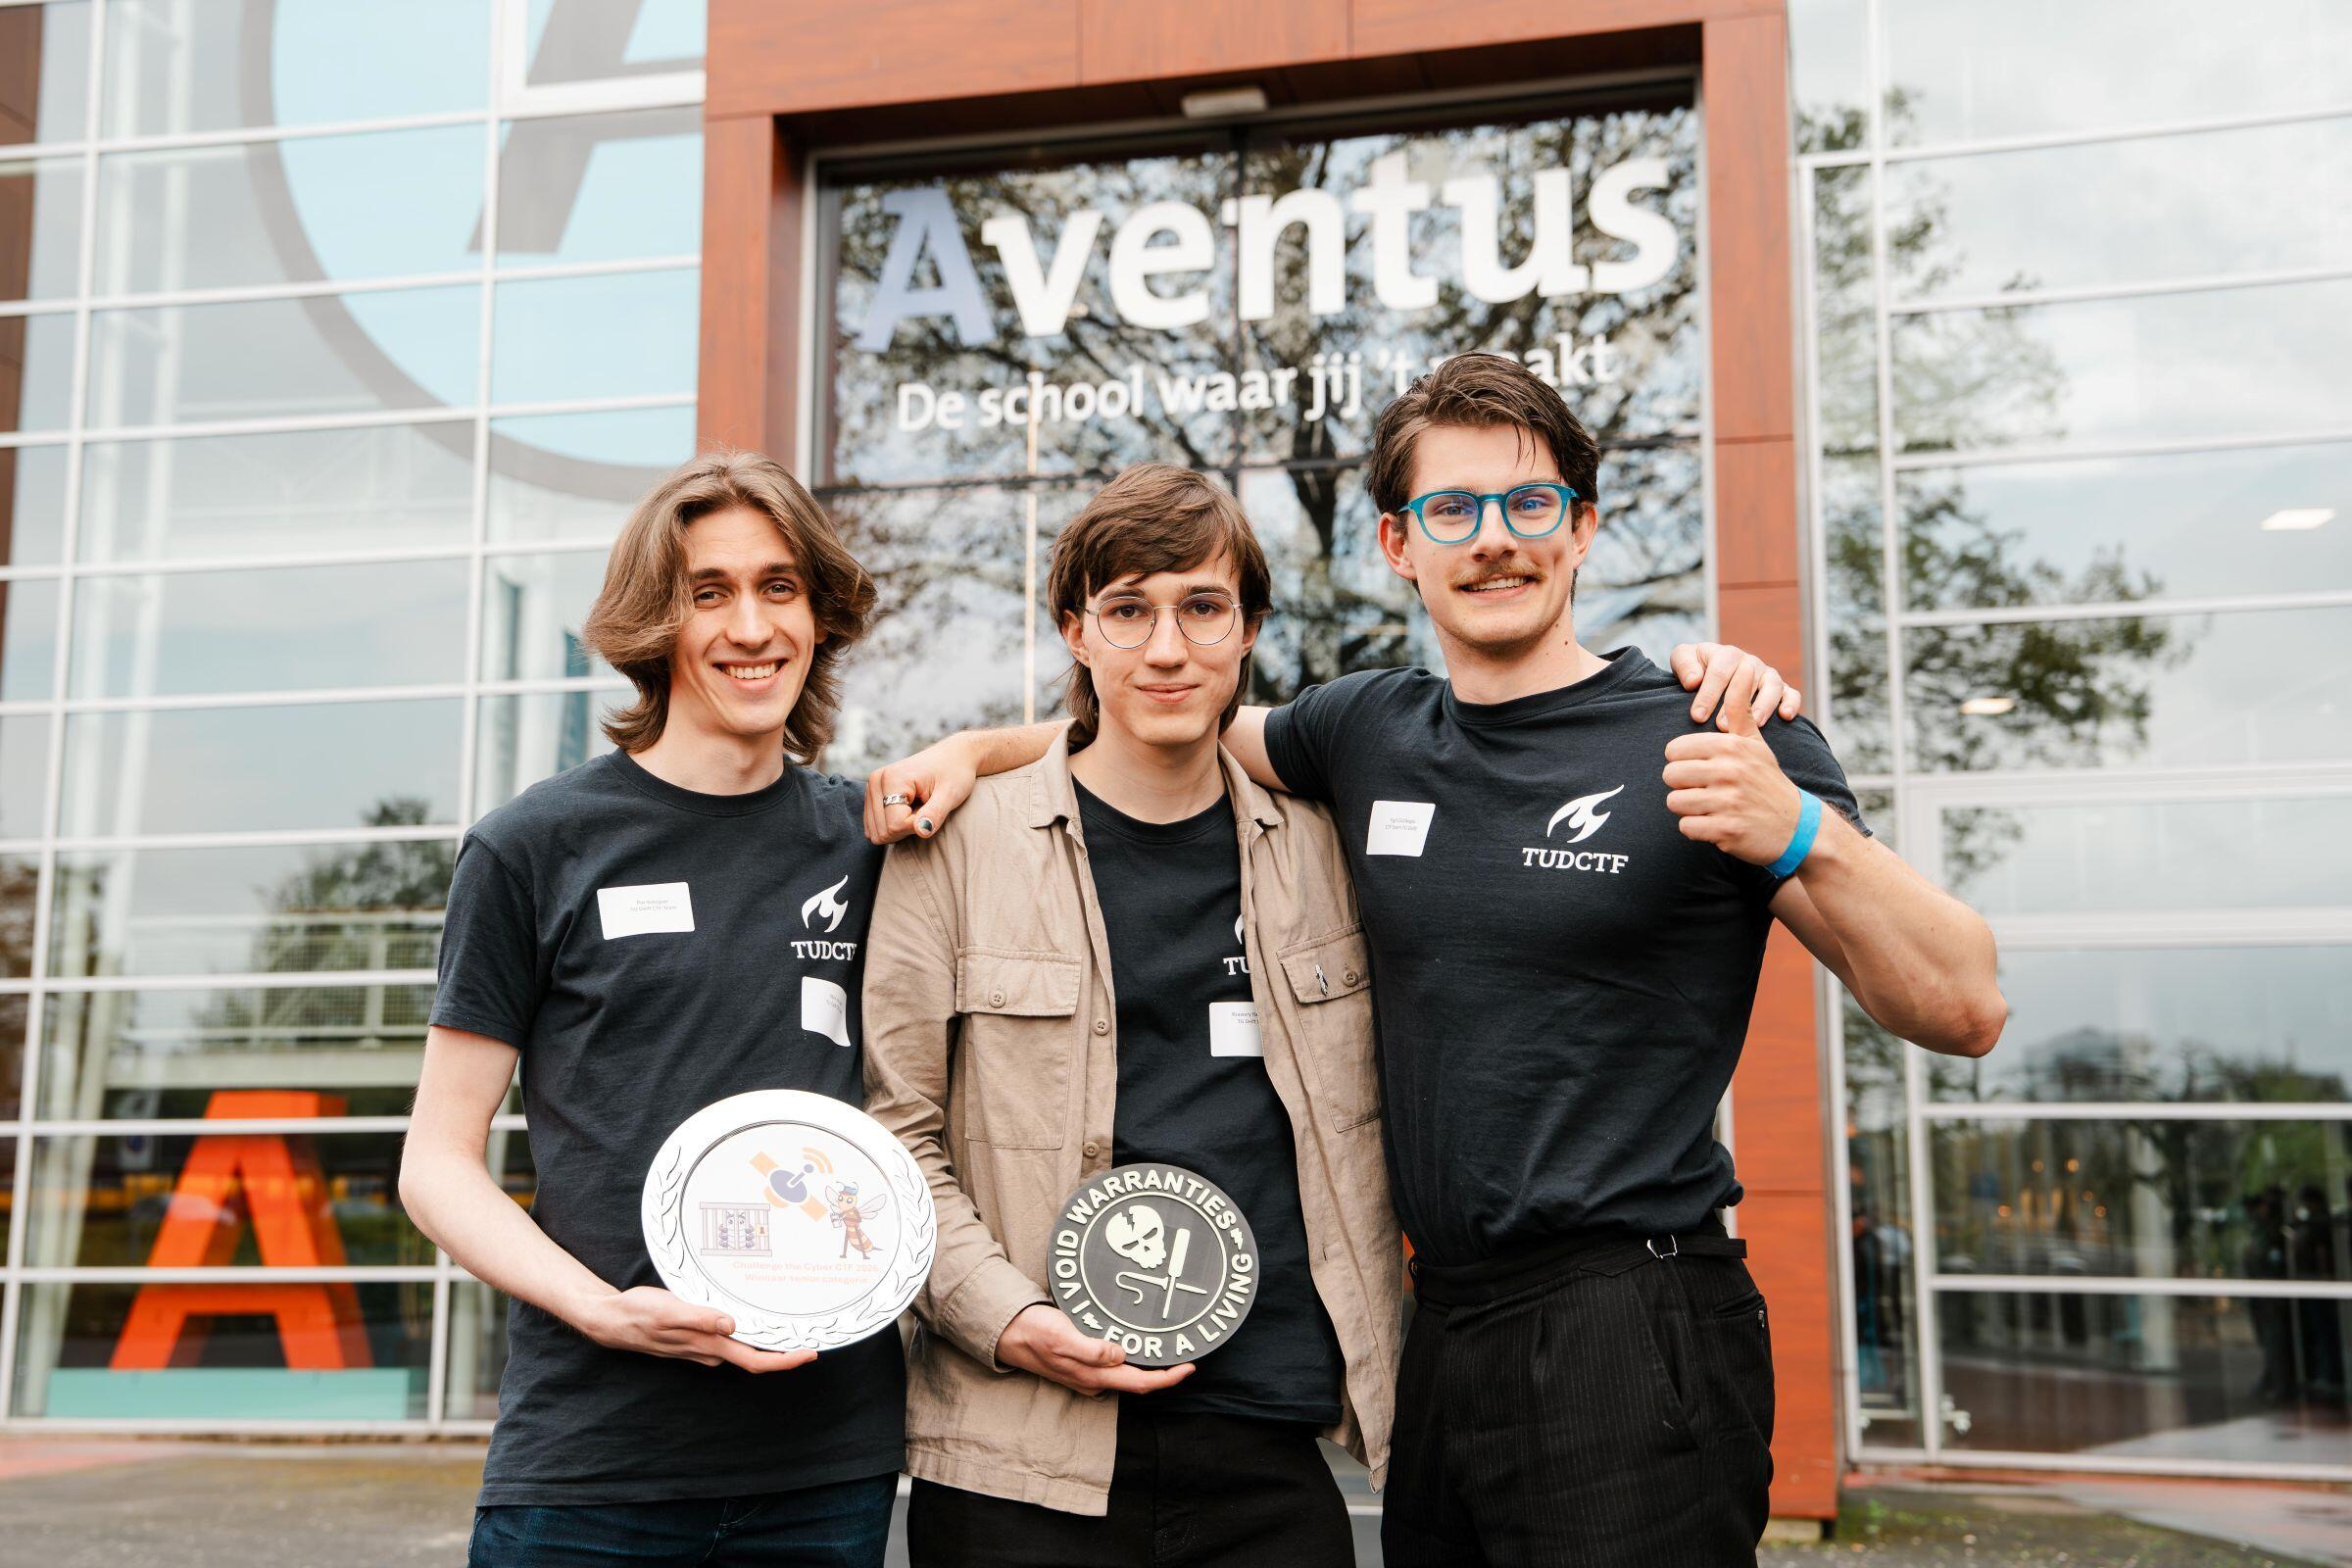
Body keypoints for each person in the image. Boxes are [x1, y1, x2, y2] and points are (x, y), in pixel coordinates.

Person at [868, 353, 2007, 1565]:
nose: (1494, 541)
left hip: (1633, 1313)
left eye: (1528, 504)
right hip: (1445, 1339)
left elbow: (1962, 1004)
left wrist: (1801, 830)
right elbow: (1167, 711)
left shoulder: (1715, 728)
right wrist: (971, 750)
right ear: (1400, 545)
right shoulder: (1368, 730)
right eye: (1450, 510)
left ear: (1582, 527)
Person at [859, 464, 1400, 1567]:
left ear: (1247, 629)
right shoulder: (957, 848)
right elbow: (893, 1134)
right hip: (1017, 1458)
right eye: (1128, 609)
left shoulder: (1327, 849)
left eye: (1202, 608)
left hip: (1270, 1448)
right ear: (1077, 629)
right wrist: (1008, 1317)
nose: (1166, 649)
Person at [401, 451, 904, 1568]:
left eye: (779, 587)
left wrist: (971, 751)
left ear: (819, 614)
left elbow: (1081, 755)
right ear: (652, 620)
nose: (751, 626)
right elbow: (435, 1164)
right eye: (707, 592)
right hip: (590, 1466)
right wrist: (603, 1310)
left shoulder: (867, 842)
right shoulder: (535, 845)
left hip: (823, 1468)